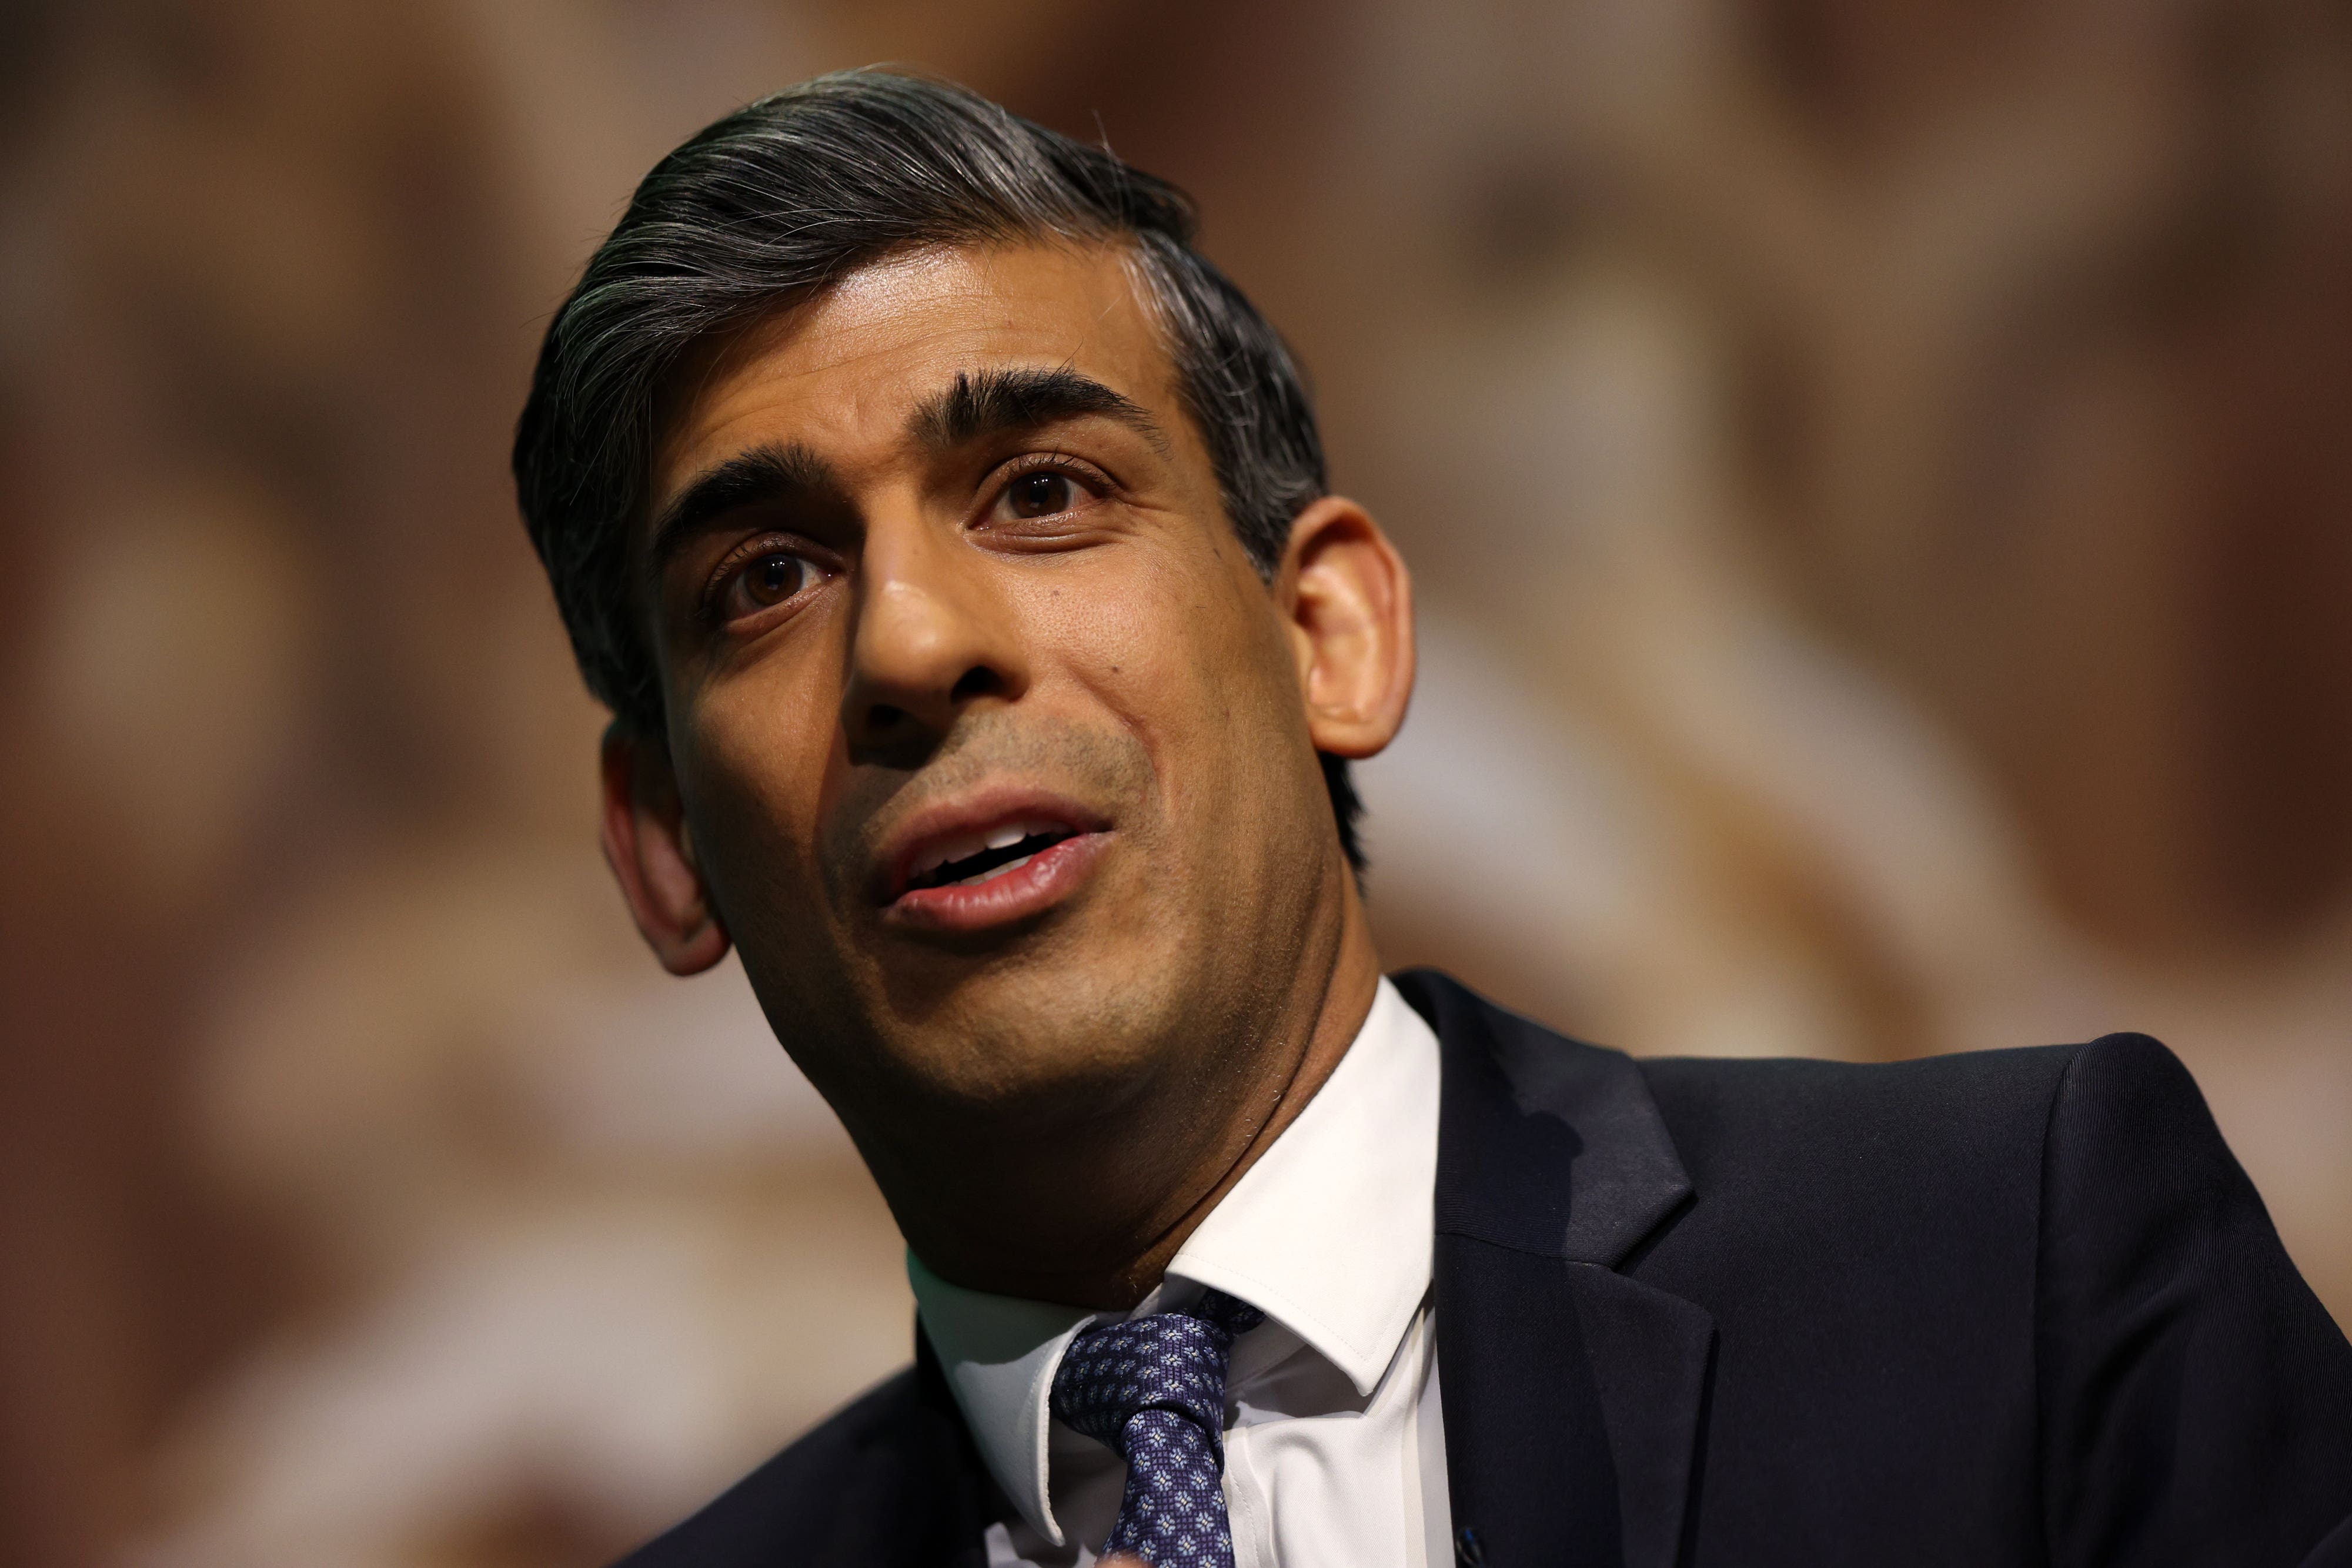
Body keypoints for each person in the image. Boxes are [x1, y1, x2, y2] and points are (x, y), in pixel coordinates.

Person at [510, 68, 2352, 1568]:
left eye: (1046, 489)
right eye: (765, 578)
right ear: (668, 843)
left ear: (1332, 633)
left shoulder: (2009, 1273)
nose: (911, 640)